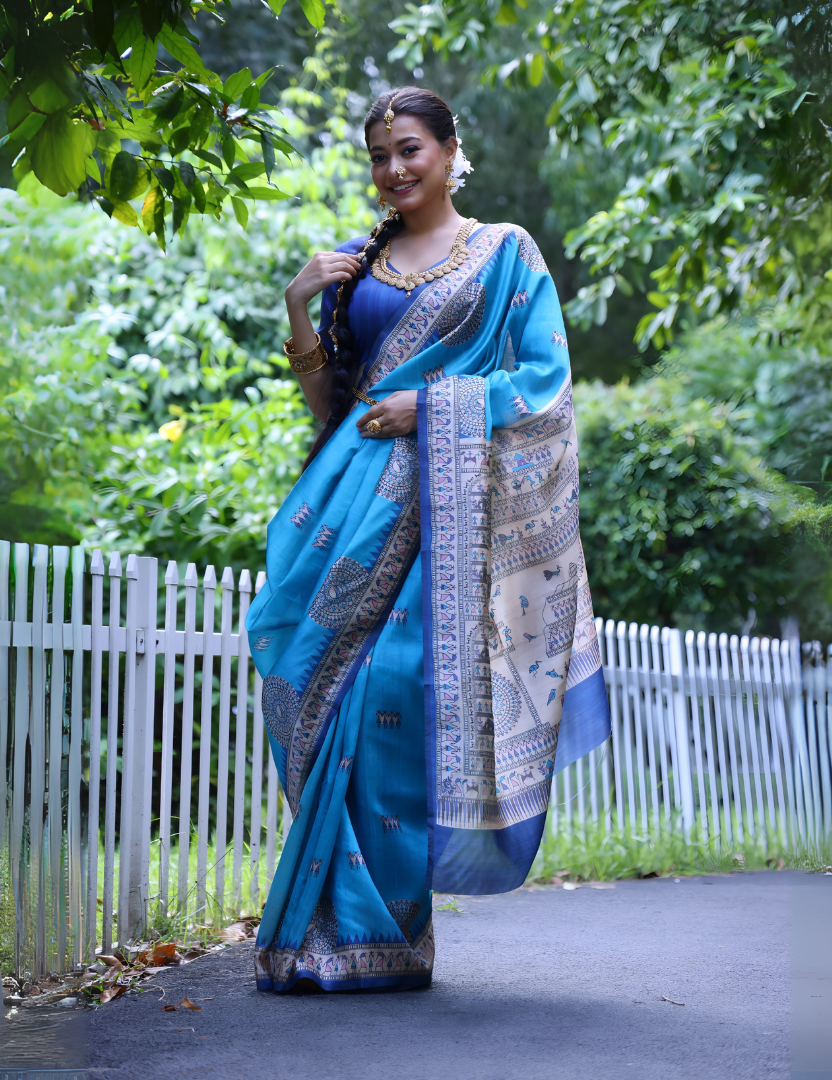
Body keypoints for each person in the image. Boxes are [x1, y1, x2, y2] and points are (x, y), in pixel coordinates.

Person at [245, 86, 610, 993]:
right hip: (346, 509)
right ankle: (321, 926)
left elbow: (545, 385)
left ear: (451, 150)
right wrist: (299, 310)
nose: (394, 169)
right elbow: (332, 410)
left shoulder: (504, 256)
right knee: (313, 698)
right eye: (379, 156)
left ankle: (387, 935)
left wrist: (436, 406)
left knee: (391, 696)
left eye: (409, 149)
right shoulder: (357, 269)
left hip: (448, 514)